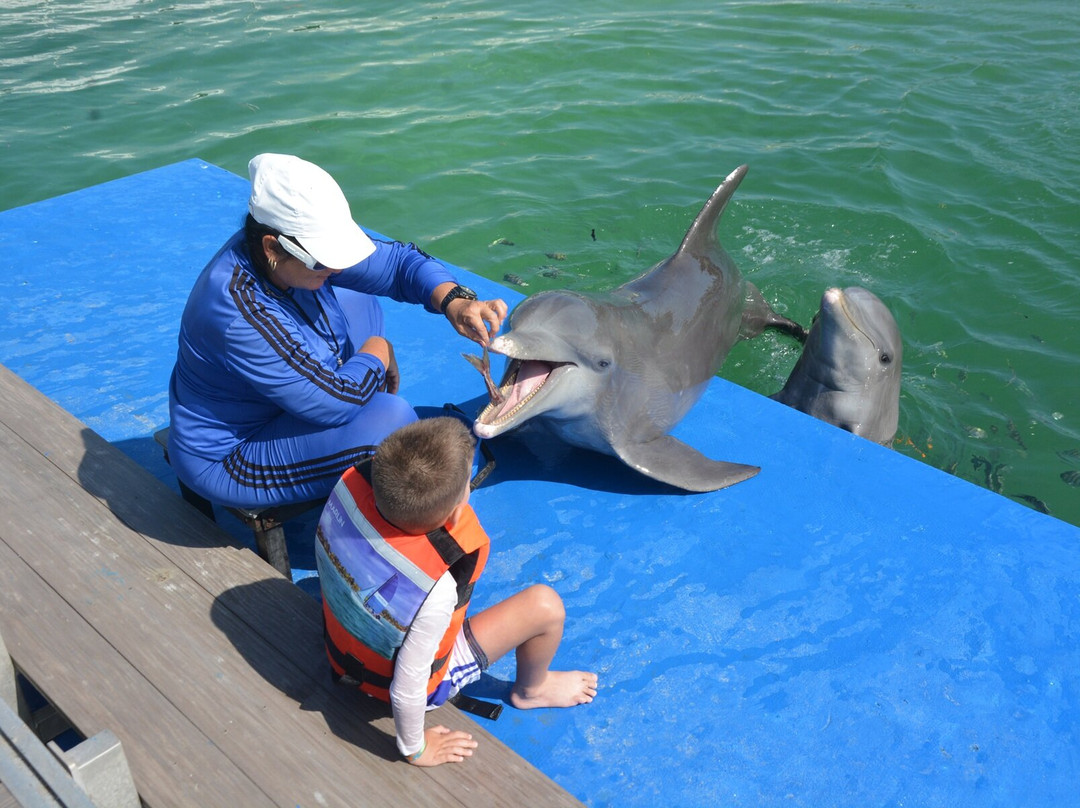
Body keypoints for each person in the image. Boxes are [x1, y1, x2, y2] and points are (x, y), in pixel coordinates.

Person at [167, 153, 507, 509]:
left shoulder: (287, 256)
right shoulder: (237, 312)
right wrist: (378, 351)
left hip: (284, 397)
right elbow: (333, 402)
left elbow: (397, 263)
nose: (333, 265)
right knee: (393, 425)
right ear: (271, 246)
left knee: (355, 293)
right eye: (321, 258)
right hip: (232, 454)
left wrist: (454, 300)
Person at [315, 417, 598, 766]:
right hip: (393, 687)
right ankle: (531, 690)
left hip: (339, 651)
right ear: (453, 514)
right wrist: (415, 748)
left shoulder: (347, 495)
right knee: (545, 606)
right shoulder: (436, 590)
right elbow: (407, 686)